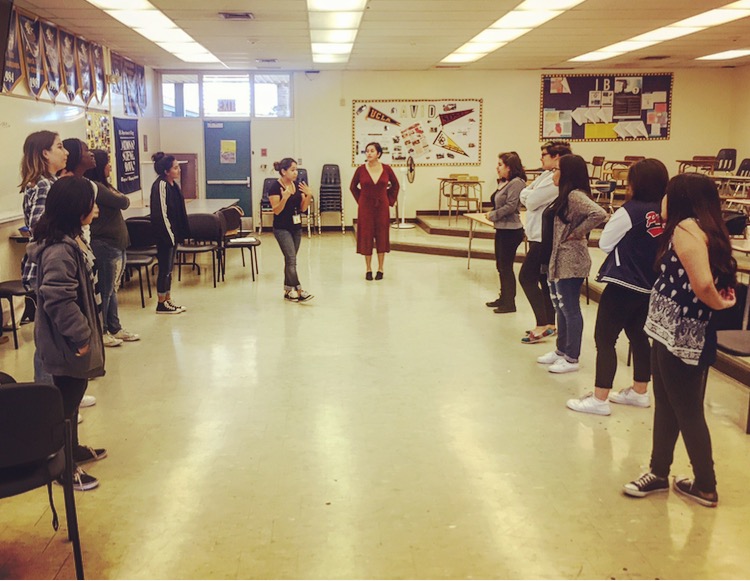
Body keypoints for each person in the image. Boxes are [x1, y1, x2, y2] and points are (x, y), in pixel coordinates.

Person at [623, 173, 737, 508]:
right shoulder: (705, 226)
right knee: (669, 405)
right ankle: (659, 472)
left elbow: (703, 284)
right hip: (669, 329)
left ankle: (705, 485)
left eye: (667, 193)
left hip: (680, 334)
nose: (662, 199)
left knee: (686, 410)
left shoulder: (686, 228)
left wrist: (717, 302)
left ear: (680, 198)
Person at [567, 159, 668, 415]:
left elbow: (606, 243)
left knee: (605, 339)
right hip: (649, 284)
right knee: (639, 336)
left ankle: (599, 399)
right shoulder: (665, 211)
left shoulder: (629, 210)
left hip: (623, 284)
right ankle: (640, 391)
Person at [26, 176, 108, 491]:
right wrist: (81, 336)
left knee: (71, 401)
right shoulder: (60, 249)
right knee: (65, 405)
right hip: (66, 343)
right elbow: (58, 298)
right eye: (92, 202)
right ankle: (63, 467)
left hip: (74, 339)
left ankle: (72, 451)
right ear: (77, 208)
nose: (96, 208)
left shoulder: (72, 239)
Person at [536, 154, 607, 374]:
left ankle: (572, 356)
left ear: (567, 173)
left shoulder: (575, 195)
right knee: (560, 306)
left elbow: (599, 213)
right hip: (557, 258)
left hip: (571, 260)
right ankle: (560, 350)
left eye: (556, 169)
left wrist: (577, 233)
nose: (553, 174)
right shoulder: (564, 195)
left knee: (570, 309)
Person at [19, 131, 68, 384]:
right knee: (48, 339)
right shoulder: (43, 186)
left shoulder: (51, 183)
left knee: (60, 335)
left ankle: (64, 389)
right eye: (59, 147)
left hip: (53, 269)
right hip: (46, 271)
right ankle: (49, 396)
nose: (66, 152)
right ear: (45, 153)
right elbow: (41, 232)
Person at [84, 149, 139, 345]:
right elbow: (122, 201)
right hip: (105, 245)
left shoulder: (104, 185)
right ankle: (103, 331)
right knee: (105, 291)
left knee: (112, 289)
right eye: (107, 162)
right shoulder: (96, 187)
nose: (110, 166)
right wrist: (120, 197)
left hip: (116, 244)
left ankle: (114, 327)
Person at [518, 140, 572, 343]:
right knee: (542, 279)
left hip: (544, 237)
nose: (540, 158)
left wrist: (529, 194)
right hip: (535, 234)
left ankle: (542, 324)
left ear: (556, 157)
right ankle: (549, 323)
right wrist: (528, 193)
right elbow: (525, 191)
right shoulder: (546, 174)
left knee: (526, 277)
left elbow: (530, 200)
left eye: (544, 155)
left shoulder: (556, 178)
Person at [350, 142, 400, 280]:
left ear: (378, 153)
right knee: (366, 235)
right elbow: (353, 187)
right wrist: (361, 200)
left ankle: (380, 268)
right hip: (365, 207)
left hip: (382, 206)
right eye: (367, 151)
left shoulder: (387, 169)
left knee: (382, 235)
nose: (369, 153)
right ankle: (368, 269)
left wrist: (389, 200)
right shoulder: (360, 170)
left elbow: (395, 185)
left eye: (372, 151)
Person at [485, 152, 526, 313]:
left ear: (509, 167)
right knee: (500, 266)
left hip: (511, 230)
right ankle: (503, 297)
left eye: (500, 165)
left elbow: (510, 206)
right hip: (501, 228)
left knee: (506, 267)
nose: (497, 167)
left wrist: (493, 215)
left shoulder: (517, 183)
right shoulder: (505, 182)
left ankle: (510, 303)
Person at [268, 157, 314, 302]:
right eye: (292, 170)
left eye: (296, 170)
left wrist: (309, 195)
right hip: (282, 229)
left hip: (296, 227)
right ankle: (299, 291)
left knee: (290, 260)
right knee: (291, 259)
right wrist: (285, 198)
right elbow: (276, 211)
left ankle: (288, 291)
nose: (296, 173)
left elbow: (303, 208)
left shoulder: (297, 185)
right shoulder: (275, 187)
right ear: (283, 171)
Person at [150, 152, 190, 314]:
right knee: (164, 269)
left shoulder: (173, 185)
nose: (179, 170)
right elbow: (161, 213)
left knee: (168, 270)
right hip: (165, 236)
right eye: (175, 167)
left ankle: (167, 298)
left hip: (173, 234)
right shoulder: (160, 185)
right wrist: (170, 236)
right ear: (166, 171)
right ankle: (161, 303)